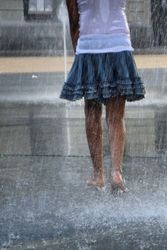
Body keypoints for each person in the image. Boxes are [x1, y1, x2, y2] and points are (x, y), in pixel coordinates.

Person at [60, 0, 145, 192]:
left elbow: (74, 20)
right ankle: (117, 172)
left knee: (92, 111)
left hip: (89, 45)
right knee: (116, 116)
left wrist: (79, 52)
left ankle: (98, 175)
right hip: (119, 43)